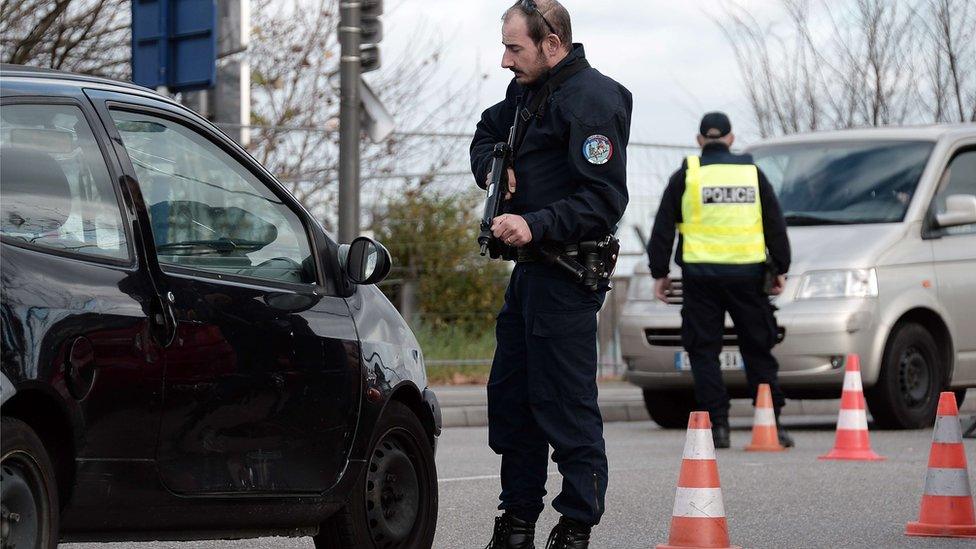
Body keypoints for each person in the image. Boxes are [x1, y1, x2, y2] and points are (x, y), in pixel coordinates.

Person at [469, 1, 631, 548]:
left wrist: (534, 223)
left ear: (552, 44)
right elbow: (485, 132)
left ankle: (576, 525)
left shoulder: (593, 101)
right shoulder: (527, 93)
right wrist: (496, 163)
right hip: (529, 278)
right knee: (513, 404)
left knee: (564, 406)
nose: (504, 61)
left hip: (566, 275)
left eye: (515, 48)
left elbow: (603, 201)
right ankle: (516, 524)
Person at [646, 112, 794, 449]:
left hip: (701, 278)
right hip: (749, 276)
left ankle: (719, 427)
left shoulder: (687, 174)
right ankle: (771, 422)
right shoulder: (752, 173)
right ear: (730, 139)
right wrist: (781, 267)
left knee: (704, 351)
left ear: (700, 141)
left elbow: (663, 227)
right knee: (758, 348)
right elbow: (774, 223)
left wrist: (660, 273)